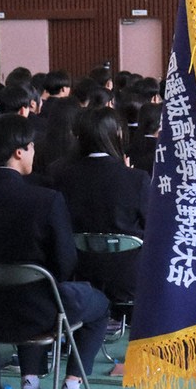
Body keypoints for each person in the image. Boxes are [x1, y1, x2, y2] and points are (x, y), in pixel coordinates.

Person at [0, 114, 108, 389]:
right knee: (98, 305)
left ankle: (30, 385)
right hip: (41, 312)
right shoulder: (45, 200)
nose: (35, 153)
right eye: (32, 146)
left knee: (26, 290)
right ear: (19, 151)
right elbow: (65, 263)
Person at [53, 107, 148, 306]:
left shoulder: (60, 174)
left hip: (79, 274)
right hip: (128, 278)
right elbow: (151, 227)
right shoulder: (137, 179)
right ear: (117, 135)